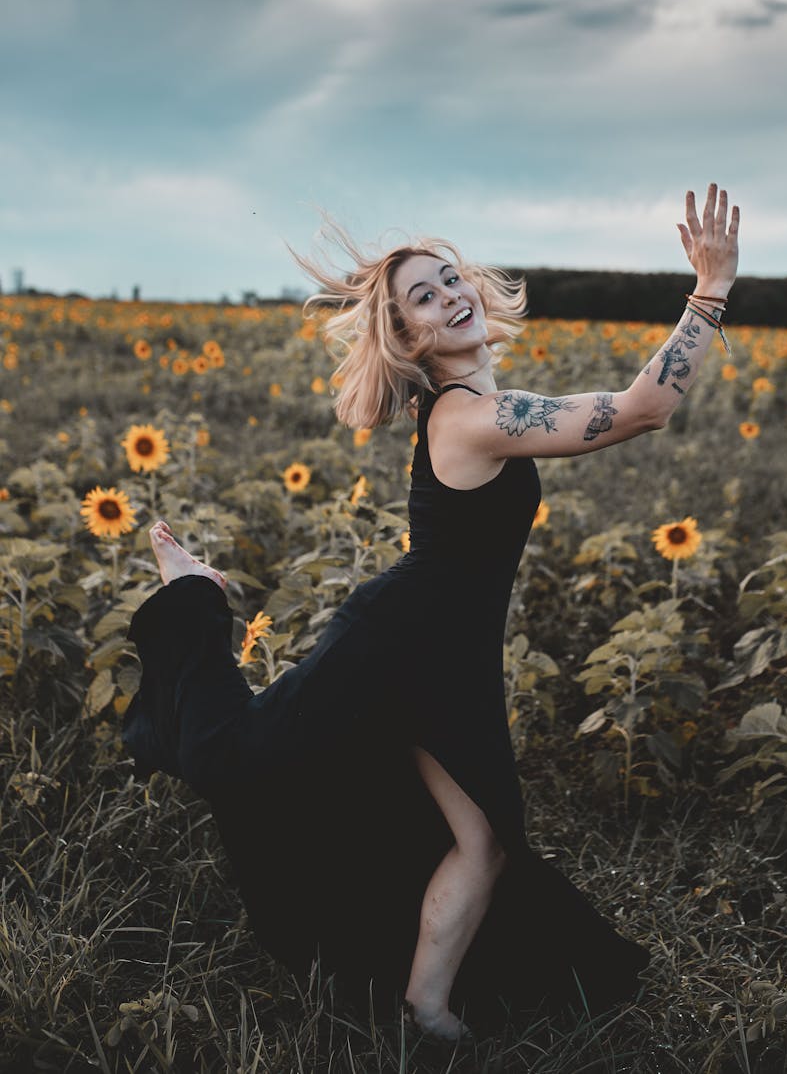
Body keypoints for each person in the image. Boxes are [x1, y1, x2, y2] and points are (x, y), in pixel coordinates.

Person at [122, 183, 739, 1045]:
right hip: (400, 641)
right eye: (424, 295)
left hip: (446, 653)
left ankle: (427, 1011)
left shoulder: (478, 406)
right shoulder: (467, 419)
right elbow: (645, 408)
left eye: (451, 279)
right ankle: (193, 599)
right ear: (409, 338)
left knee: (482, 841)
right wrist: (708, 290)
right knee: (238, 755)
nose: (450, 294)